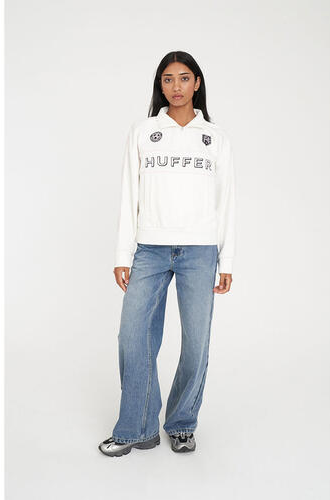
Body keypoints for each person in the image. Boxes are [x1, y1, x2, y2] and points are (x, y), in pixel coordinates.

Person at [98, 51, 236, 457]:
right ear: (160, 85)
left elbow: (226, 201)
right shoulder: (143, 131)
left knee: (196, 343)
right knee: (133, 338)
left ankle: (181, 423)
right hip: (150, 249)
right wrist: (123, 253)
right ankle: (137, 427)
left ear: (197, 83)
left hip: (200, 251)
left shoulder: (215, 137)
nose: (177, 86)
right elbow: (130, 194)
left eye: (184, 78)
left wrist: (226, 259)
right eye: (168, 79)